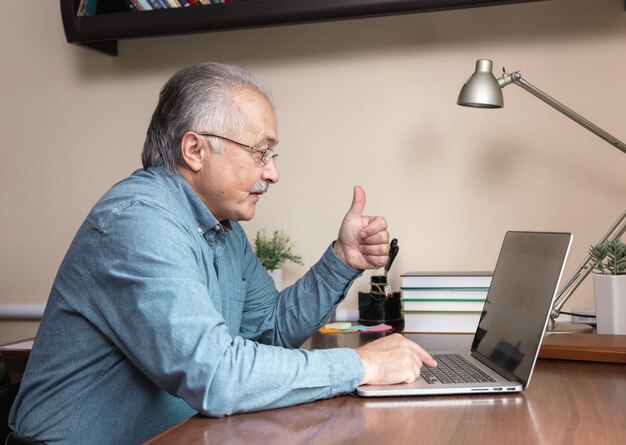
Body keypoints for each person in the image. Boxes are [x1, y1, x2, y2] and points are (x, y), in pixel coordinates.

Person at [8, 62, 435, 444]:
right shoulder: (137, 222)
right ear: (194, 150)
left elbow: (268, 331)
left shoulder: (222, 227)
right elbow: (215, 375)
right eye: (260, 151)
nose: (273, 172)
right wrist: (361, 366)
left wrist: (341, 260)